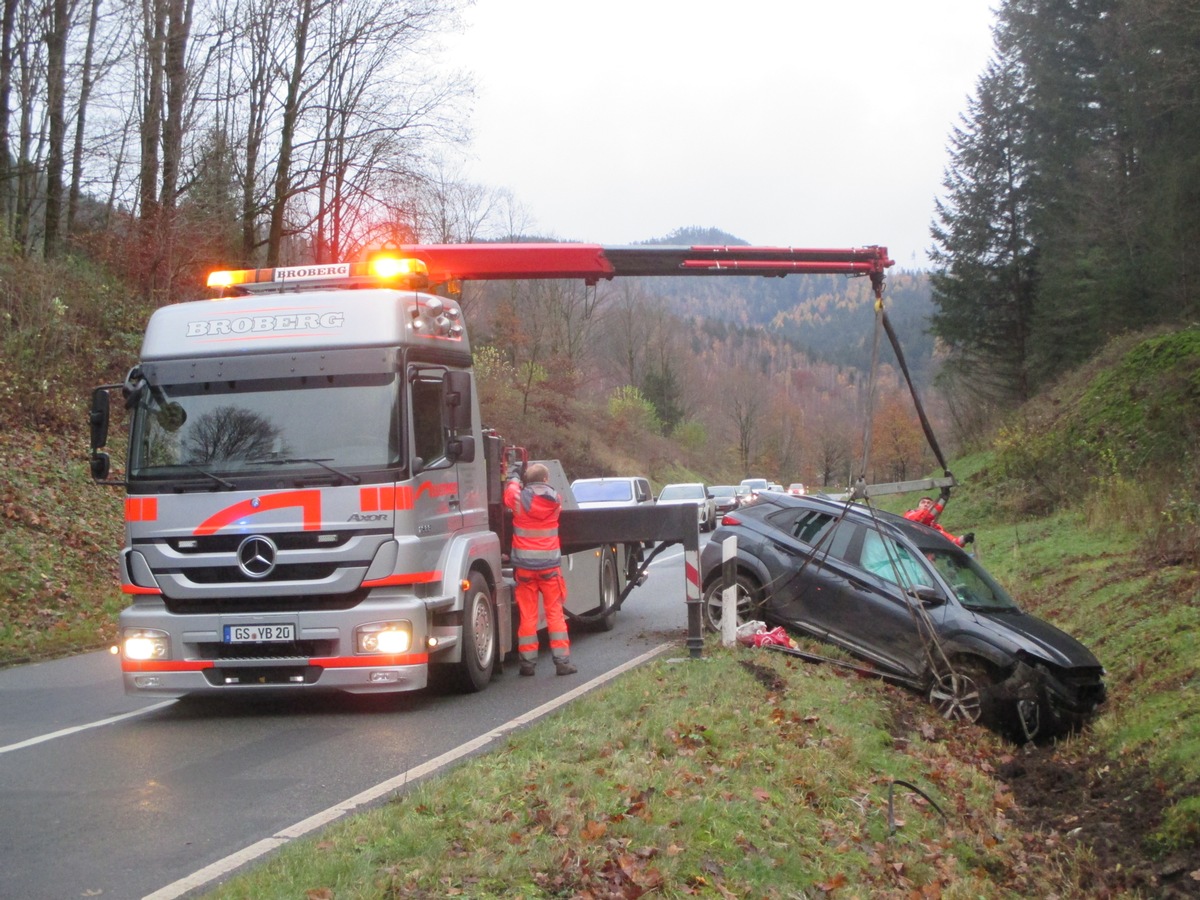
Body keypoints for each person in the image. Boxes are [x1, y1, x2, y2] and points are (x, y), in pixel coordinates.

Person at [503, 462, 577, 677]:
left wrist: (514, 476)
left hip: (525, 570)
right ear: (546, 480)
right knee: (555, 615)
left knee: (528, 617)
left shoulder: (518, 500)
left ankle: (527, 664)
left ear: (528, 480)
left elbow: (510, 491)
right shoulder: (556, 500)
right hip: (550, 569)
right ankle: (562, 663)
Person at [904, 488, 974, 548]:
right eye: (923, 502)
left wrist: (964, 539)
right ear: (917, 507)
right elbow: (922, 518)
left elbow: (951, 542)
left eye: (929, 503)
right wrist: (941, 502)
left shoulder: (935, 527)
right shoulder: (910, 515)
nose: (926, 504)